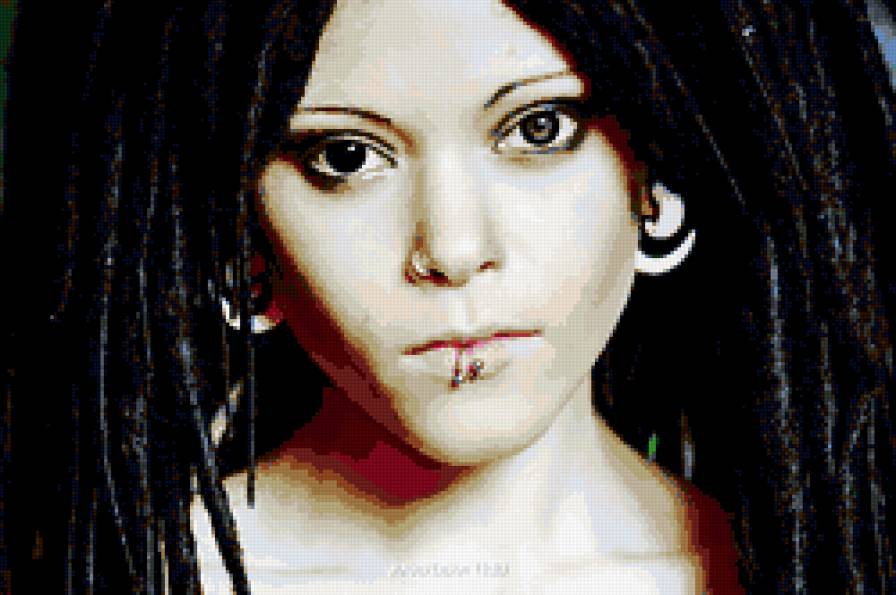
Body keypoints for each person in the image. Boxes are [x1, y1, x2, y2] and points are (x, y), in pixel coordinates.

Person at [4, 1, 894, 593]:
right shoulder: (132, 574)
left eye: (539, 129)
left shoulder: (805, 568)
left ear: (653, 176)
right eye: (345, 157)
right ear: (240, 226)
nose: (455, 251)